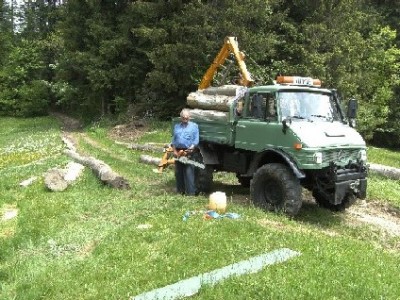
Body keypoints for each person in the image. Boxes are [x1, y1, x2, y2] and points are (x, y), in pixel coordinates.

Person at [171, 108, 199, 196]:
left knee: (189, 172)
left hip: (188, 152)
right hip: (178, 152)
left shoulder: (194, 126)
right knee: (178, 172)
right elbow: (173, 140)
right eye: (183, 117)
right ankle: (180, 191)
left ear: (190, 117)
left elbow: (196, 139)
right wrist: (174, 151)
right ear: (181, 117)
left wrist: (192, 147)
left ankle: (191, 193)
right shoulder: (176, 127)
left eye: (187, 118)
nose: (185, 119)